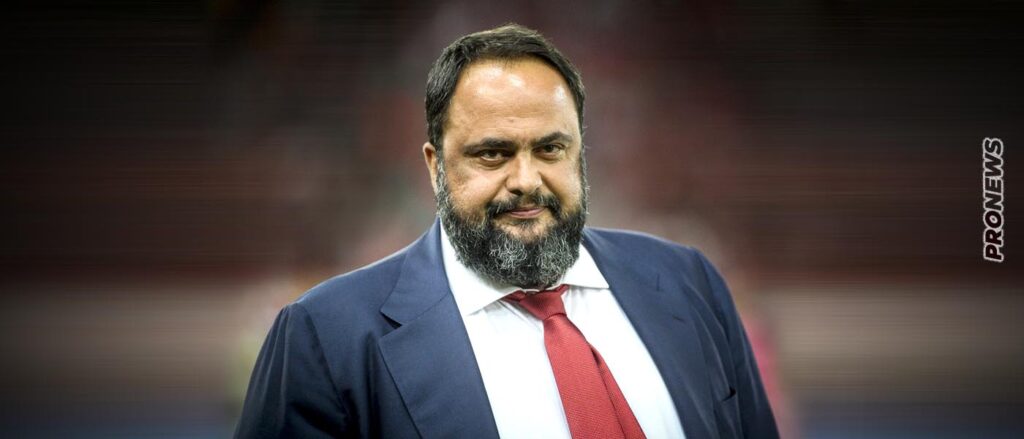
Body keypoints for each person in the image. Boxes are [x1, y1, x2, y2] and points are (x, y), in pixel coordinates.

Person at [235, 24, 778, 439]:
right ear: (434, 166)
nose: (526, 180)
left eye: (551, 149)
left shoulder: (690, 282)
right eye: (492, 153)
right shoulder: (327, 337)